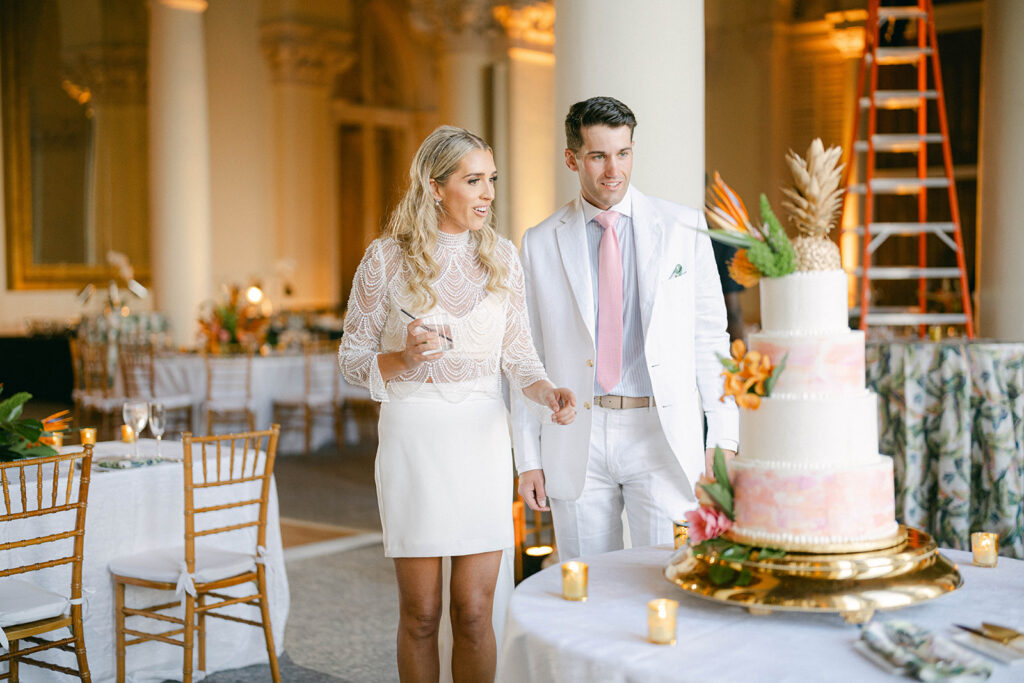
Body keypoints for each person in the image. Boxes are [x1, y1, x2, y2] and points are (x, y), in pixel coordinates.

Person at [339, 125, 575, 682]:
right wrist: (403, 357)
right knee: (420, 614)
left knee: (474, 612)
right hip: (414, 439)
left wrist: (548, 393)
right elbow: (351, 360)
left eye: (491, 179)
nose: (488, 193)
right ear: (435, 184)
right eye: (474, 180)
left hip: (480, 442)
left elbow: (520, 358)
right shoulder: (384, 260)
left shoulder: (503, 258)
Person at [510, 96, 738, 561]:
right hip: (577, 437)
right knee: (587, 587)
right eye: (598, 156)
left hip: (660, 433)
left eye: (623, 153)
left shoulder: (684, 228)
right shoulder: (538, 241)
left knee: (664, 579)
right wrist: (528, 459)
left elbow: (712, 339)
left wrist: (723, 440)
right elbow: (523, 354)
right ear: (572, 158)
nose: (613, 170)